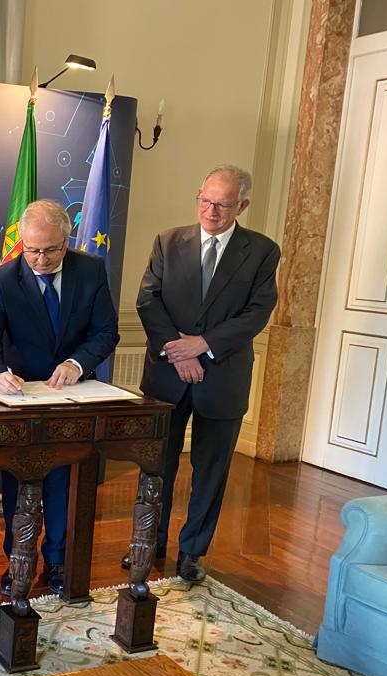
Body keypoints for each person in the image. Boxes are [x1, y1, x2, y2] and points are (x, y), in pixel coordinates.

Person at [128, 165, 279, 583]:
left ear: (242, 206)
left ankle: (192, 551)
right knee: (157, 465)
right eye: (205, 200)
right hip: (167, 375)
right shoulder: (168, 240)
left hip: (223, 379)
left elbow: (257, 313)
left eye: (223, 204)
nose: (211, 210)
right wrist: (180, 353)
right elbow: (147, 300)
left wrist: (203, 344)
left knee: (210, 471)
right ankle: (148, 539)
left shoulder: (262, 251)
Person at [0, 199, 119, 596]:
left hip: (72, 395)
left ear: (66, 241)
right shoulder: (4, 279)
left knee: (62, 483)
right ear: (22, 242)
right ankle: (17, 559)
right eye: (32, 249)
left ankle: (57, 562)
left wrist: (77, 361)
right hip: (22, 399)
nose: (39, 258)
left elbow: (106, 332)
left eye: (50, 250)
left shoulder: (90, 271)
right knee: (19, 483)